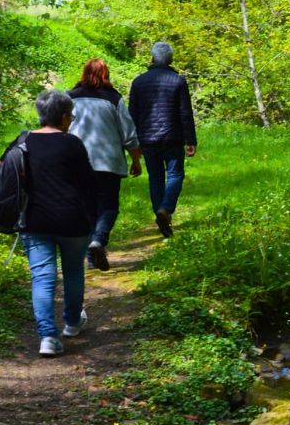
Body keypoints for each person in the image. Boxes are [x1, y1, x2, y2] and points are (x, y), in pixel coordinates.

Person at [17, 89, 95, 356]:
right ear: (63, 117)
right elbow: (88, 184)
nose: (71, 119)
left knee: (42, 277)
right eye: (70, 115)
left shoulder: (24, 142)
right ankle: (72, 323)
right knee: (73, 271)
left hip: (34, 221)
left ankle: (48, 337)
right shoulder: (72, 144)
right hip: (72, 220)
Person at [68, 59, 142, 271]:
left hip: (77, 163)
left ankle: (91, 254)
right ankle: (98, 241)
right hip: (108, 162)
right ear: (106, 75)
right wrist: (136, 160)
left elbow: (59, 128)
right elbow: (128, 134)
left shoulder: (70, 97)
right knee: (108, 206)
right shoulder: (114, 98)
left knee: (87, 207)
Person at [128, 41, 196, 238]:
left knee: (156, 177)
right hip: (173, 137)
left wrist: (134, 142)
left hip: (147, 139)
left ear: (152, 58)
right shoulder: (178, 80)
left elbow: (133, 114)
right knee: (175, 175)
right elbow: (185, 113)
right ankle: (165, 209)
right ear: (170, 59)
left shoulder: (138, 82)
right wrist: (190, 140)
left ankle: (161, 215)